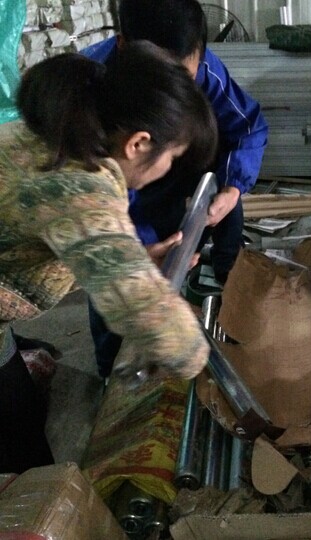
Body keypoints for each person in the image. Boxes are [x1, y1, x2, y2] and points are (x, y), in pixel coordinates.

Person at [0, 40, 218, 473]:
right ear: (139, 143)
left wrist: (138, 259)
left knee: (19, 419)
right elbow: (143, 310)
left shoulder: (55, 139)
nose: (167, 171)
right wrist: (202, 359)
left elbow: (63, 237)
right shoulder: (78, 182)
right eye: (172, 158)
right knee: (20, 455)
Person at [84, 0, 269, 379]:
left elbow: (247, 128)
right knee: (122, 290)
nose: (178, 91)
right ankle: (111, 376)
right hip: (116, 197)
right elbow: (100, 252)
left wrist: (233, 187)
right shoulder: (88, 92)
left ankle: (228, 302)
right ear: (124, 46)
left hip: (174, 180)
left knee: (184, 260)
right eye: (166, 76)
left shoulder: (203, 68)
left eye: (187, 75)